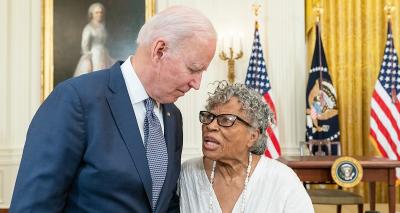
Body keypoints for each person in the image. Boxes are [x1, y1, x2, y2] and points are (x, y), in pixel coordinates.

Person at [10, 5, 216, 213]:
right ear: (159, 51)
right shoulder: (76, 99)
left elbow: (164, 201)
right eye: (193, 69)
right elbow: (33, 207)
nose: (197, 84)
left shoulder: (173, 117)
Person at [179, 82, 314, 213]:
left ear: (252, 137)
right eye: (208, 117)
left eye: (226, 120)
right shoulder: (188, 173)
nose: (210, 126)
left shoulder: (283, 180)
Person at [73, 2, 115, 77]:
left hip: (104, 54)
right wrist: (88, 60)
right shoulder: (88, 28)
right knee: (95, 75)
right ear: (92, 14)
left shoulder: (103, 27)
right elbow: (84, 45)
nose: (99, 14)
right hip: (94, 55)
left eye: (101, 12)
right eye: (97, 12)